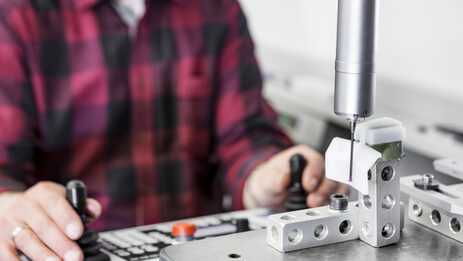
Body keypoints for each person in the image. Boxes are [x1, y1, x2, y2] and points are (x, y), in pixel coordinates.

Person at [0, 0, 349, 260]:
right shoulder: (16, 16)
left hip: (202, 249)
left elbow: (246, 138)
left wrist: (263, 181)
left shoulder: (217, 9)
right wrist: (11, 207)